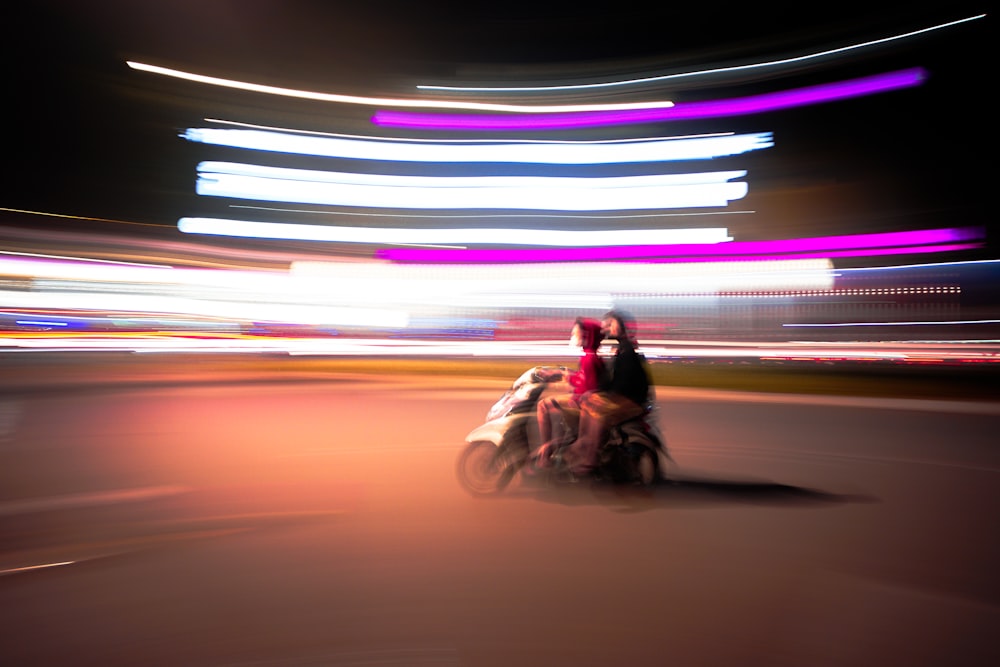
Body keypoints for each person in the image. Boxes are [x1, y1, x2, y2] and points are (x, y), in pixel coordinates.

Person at [560, 310, 652, 475]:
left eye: (611, 325)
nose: (607, 329)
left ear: (622, 327)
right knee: (589, 401)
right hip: (623, 396)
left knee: (598, 411)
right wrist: (595, 393)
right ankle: (584, 442)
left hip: (630, 400)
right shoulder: (621, 348)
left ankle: (590, 458)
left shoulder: (627, 351)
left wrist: (605, 395)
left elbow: (624, 382)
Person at [533, 318, 608, 465]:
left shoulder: (589, 358)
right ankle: (557, 447)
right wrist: (562, 374)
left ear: (587, 335)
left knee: (543, 405)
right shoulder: (590, 354)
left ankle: (546, 451)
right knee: (556, 408)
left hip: (583, 402)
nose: (573, 335)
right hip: (585, 399)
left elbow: (588, 386)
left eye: (576, 332)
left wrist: (568, 379)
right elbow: (584, 378)